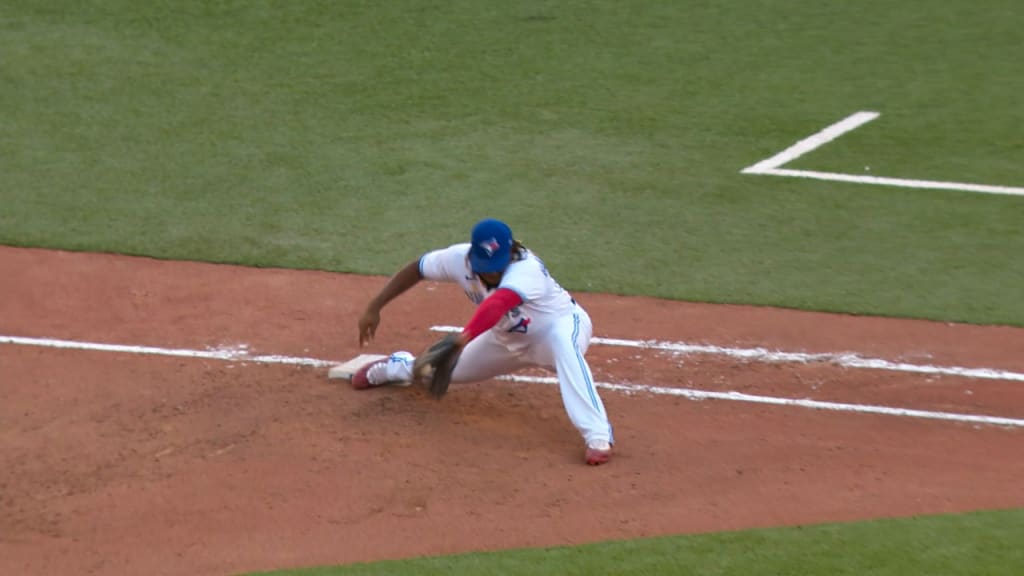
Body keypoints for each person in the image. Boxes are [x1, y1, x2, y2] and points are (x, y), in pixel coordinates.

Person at [354, 218, 615, 465]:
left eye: (496, 267)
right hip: (505, 340)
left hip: (558, 328)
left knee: (564, 345)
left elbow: (497, 304)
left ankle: (598, 435)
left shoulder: (527, 269)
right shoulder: (459, 258)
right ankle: (397, 366)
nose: (490, 274)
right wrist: (374, 306)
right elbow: (417, 268)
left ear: (511, 252)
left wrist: (463, 338)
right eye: (485, 268)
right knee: (440, 372)